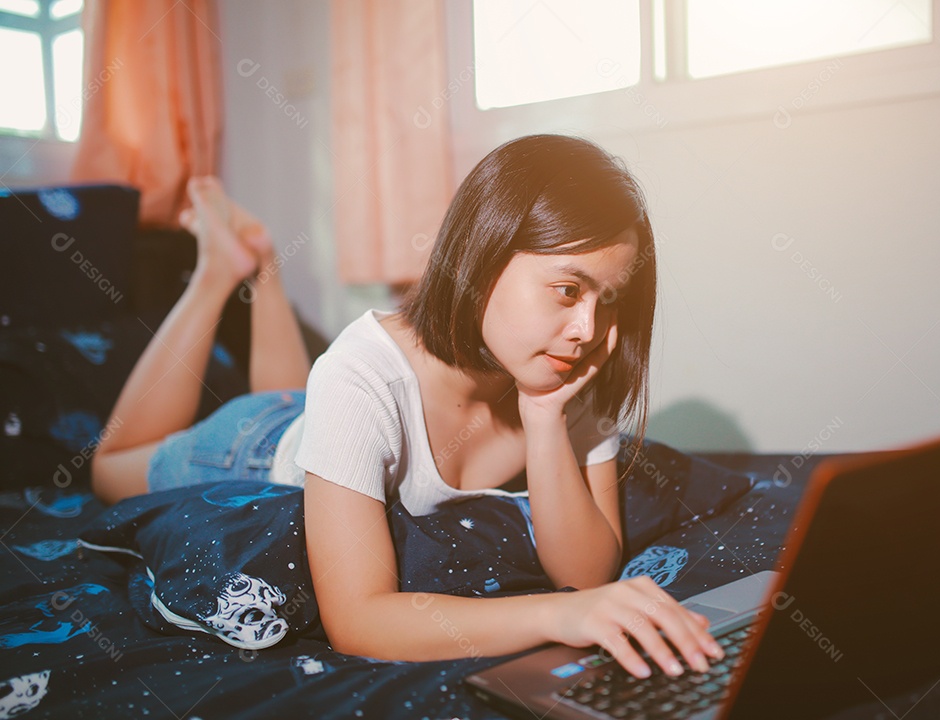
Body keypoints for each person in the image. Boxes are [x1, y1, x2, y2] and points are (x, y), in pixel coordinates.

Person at [91, 134, 724, 681]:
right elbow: (359, 622)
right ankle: (215, 272)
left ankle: (263, 271)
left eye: (608, 300)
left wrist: (545, 417)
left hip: (319, 410)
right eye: (567, 289)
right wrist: (557, 616)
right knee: (108, 466)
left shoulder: (563, 363)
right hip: (254, 446)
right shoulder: (361, 370)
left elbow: (587, 572)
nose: (589, 327)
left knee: (300, 393)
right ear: (487, 252)